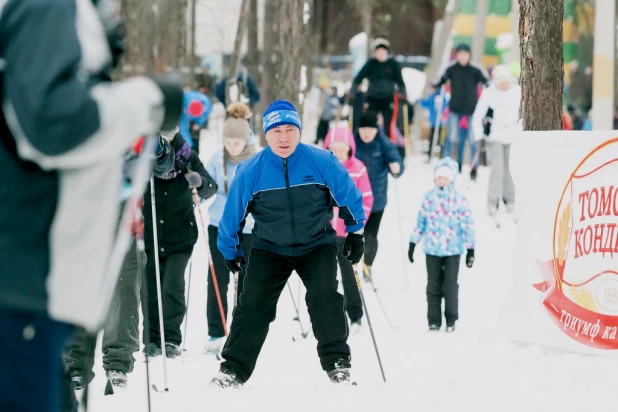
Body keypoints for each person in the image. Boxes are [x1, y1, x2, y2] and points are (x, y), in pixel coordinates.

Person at [0, 0, 183, 410]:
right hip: (22, 285)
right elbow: (53, 122)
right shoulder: (47, 6)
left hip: (33, 286)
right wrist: (146, 99)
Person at [211, 99, 366, 388]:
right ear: (265, 134)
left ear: (298, 131)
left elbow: (350, 196)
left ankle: (337, 363)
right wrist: (229, 249)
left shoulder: (321, 161)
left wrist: (356, 233)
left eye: (289, 130)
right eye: (276, 131)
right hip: (270, 247)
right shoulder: (251, 170)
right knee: (253, 302)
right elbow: (232, 216)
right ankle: (233, 369)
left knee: (324, 295)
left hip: (316, 244)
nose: (284, 137)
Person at [62, 135, 177, 390]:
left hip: (125, 221)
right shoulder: (78, 107)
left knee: (124, 292)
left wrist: (158, 147)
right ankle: (75, 363)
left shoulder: (132, 115)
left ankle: (118, 362)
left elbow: (164, 164)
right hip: (82, 219)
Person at [141, 130, 217, 358]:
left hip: (181, 234)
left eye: (171, 126)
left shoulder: (188, 156)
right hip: (151, 234)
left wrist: (200, 181)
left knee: (172, 286)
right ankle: (152, 339)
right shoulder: (145, 154)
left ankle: (171, 338)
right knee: (151, 287)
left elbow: (210, 187)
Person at [204, 103, 258, 354]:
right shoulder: (217, 157)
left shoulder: (258, 159)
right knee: (217, 279)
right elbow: (208, 188)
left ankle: (242, 331)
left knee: (246, 283)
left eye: (236, 142)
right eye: (228, 141)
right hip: (219, 226)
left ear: (246, 140)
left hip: (248, 229)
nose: (232, 146)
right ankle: (216, 331)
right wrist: (198, 190)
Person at [408, 158, 476, 332]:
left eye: (446, 178)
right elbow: (421, 221)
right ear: (435, 178)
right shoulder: (429, 197)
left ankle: (451, 319)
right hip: (432, 249)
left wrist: (470, 249)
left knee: (450, 284)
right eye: (439, 177)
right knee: (433, 285)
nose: (442, 181)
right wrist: (413, 242)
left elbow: (467, 223)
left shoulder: (459, 199)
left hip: (453, 250)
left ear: (452, 179)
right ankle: (434, 320)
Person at [324, 126, 373, 334]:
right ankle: (328, 315)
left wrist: (357, 222)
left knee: (349, 275)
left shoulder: (358, 168)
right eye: (334, 148)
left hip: (346, 233)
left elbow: (367, 198)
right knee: (325, 277)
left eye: (342, 148)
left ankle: (355, 315)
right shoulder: (322, 167)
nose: (338, 152)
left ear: (349, 148)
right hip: (325, 232)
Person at [353, 110, 404, 277]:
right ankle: (350, 267)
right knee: (354, 234)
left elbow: (395, 157)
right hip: (354, 200)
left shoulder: (384, 143)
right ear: (358, 129)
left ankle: (367, 266)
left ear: (376, 130)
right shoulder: (352, 143)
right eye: (363, 129)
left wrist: (396, 167)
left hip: (376, 200)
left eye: (370, 130)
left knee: (371, 235)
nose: (366, 133)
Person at [432, 43, 488, 180]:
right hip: (455, 108)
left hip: (471, 109)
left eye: (465, 54)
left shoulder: (475, 70)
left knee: (472, 138)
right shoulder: (451, 69)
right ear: (456, 55)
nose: (462, 57)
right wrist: (437, 84)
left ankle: (474, 168)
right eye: (460, 54)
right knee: (451, 137)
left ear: (469, 55)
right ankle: (447, 166)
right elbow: (441, 81)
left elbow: (487, 81)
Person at [472, 65, 520, 221]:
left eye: (506, 82)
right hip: (495, 136)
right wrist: (479, 136)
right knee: (497, 170)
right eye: (501, 82)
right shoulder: (488, 94)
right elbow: (477, 117)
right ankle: (492, 202)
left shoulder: (517, 92)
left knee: (511, 169)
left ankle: (510, 199)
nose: (504, 85)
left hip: (512, 135)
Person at [350, 37, 407, 139]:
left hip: (388, 97)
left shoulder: (393, 64)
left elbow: (400, 81)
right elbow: (358, 79)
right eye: (378, 51)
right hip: (372, 98)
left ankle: (388, 147)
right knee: (369, 122)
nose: (380, 53)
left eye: (383, 51)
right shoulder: (370, 64)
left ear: (387, 52)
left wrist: (404, 94)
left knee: (388, 126)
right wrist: (352, 93)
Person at [420, 90, 449, 162]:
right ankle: (430, 156)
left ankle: (442, 156)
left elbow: (447, 107)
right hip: (433, 122)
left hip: (441, 122)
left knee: (441, 140)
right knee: (432, 139)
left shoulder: (443, 96)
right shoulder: (432, 96)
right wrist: (419, 99)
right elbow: (426, 103)